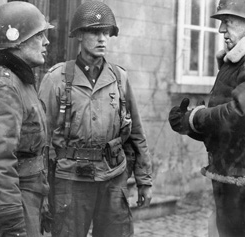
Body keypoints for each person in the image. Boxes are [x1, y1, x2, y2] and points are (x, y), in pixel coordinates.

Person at [169, 0, 245, 237]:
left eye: (227, 21)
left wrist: (196, 119)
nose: (221, 30)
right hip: (242, 185)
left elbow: (242, 116)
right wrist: (188, 123)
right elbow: (230, 127)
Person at [38, 1, 152, 237]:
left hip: (113, 177)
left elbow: (136, 134)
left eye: (106, 32)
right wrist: (42, 192)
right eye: (94, 32)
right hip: (71, 179)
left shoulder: (119, 77)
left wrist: (144, 180)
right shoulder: (57, 78)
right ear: (79, 35)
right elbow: (41, 140)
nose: (102, 39)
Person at [0, 2, 53, 237]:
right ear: (17, 40)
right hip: (13, 205)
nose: (46, 42)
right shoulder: (4, 86)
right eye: (39, 35)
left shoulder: (21, 81)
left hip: (28, 197)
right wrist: (14, 224)